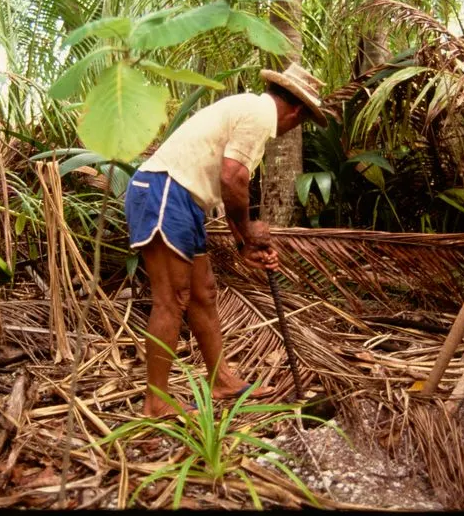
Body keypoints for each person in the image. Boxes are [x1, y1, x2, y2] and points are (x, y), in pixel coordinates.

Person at [125, 63, 328, 417]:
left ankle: (222, 381)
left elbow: (227, 185)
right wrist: (248, 231)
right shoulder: (259, 115)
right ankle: (155, 401)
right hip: (163, 190)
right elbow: (233, 177)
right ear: (296, 112)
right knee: (171, 298)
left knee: (203, 293)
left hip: (183, 197)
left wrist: (244, 244)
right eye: (303, 121)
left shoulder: (251, 111)